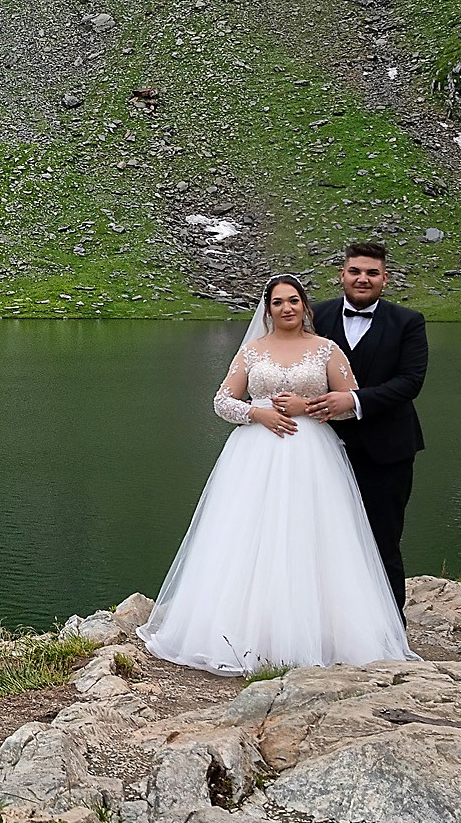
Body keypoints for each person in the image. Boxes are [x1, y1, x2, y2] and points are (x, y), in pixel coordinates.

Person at [140, 274, 414, 675]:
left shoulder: (326, 350)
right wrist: (257, 412)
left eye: (294, 300)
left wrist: (307, 407)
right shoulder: (252, 352)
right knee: (249, 534)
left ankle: (319, 632)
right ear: (267, 309)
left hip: (312, 455)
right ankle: (248, 632)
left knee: (313, 536)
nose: (287, 308)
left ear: (305, 306)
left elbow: (345, 403)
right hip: (255, 453)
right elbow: (221, 401)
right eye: (278, 302)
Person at [303, 242, 427, 610]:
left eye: (372, 273)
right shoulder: (315, 317)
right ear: (341, 275)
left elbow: (410, 381)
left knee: (382, 539)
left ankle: (390, 626)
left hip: (387, 451)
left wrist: (355, 401)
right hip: (321, 449)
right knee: (319, 537)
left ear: (385, 279)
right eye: (355, 271)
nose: (363, 279)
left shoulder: (408, 321)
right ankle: (327, 623)